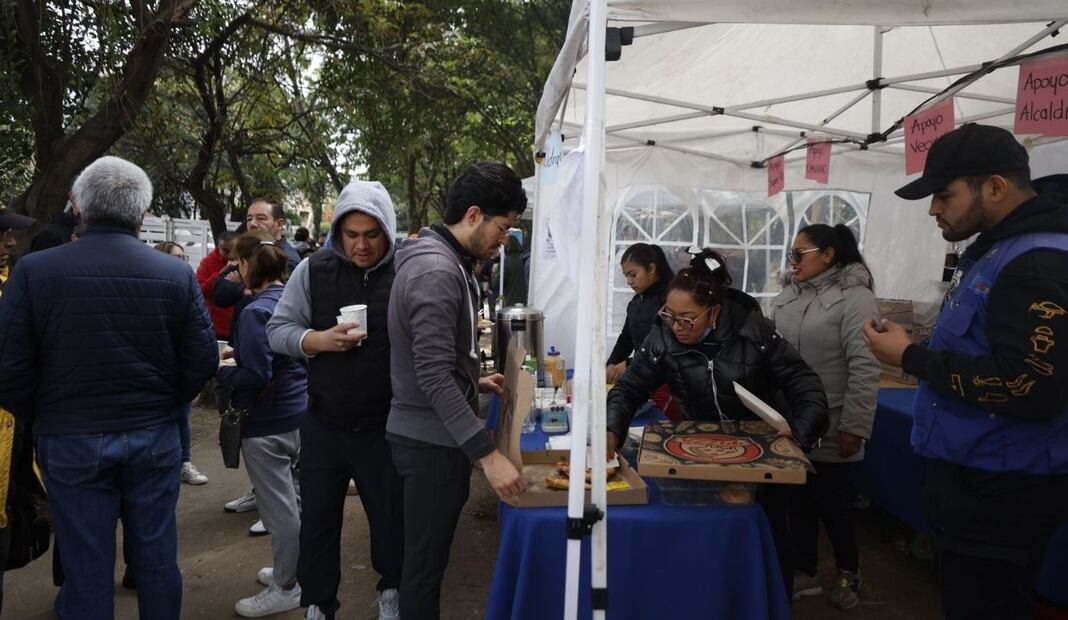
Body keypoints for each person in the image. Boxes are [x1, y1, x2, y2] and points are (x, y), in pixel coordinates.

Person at [0, 156, 218, 619]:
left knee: (86, 568)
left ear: (79, 206)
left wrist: (45, 415)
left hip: (70, 440)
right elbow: (202, 359)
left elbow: (9, 368)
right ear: (141, 215)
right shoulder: (175, 274)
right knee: (157, 560)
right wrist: (165, 403)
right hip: (154, 437)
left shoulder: (34, 272)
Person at [865, 123, 1068, 620]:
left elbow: (1029, 385)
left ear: (995, 187)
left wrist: (910, 357)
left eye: (944, 194)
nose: (934, 209)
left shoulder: (1037, 261)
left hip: (1002, 488)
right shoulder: (1000, 249)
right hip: (977, 476)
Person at [606, 248, 829, 597]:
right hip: (701, 452)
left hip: (763, 454)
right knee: (708, 533)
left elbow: (803, 381)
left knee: (769, 536)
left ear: (714, 312)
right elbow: (630, 388)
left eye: (687, 318)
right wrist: (612, 429)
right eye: (670, 315)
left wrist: (799, 436)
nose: (677, 326)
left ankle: (772, 602)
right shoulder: (662, 336)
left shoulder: (752, 329)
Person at [387, 161, 528, 619]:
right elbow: (429, 374)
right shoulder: (437, 271)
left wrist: (474, 378)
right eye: (502, 227)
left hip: (431, 432)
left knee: (427, 561)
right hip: (429, 442)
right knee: (424, 568)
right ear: (473, 215)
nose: (503, 240)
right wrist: (488, 455)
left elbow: (435, 358)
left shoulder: (447, 261)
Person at [267, 181, 403, 620]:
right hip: (324, 422)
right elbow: (277, 329)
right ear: (338, 232)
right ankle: (319, 604)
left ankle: (392, 592)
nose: (361, 245)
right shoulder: (313, 270)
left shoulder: (405, 271)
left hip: (385, 425)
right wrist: (316, 340)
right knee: (319, 522)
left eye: (372, 234)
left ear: (387, 231)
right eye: (352, 234)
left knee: (390, 519)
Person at [770, 224, 881, 610]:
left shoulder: (856, 300)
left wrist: (855, 425)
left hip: (833, 421)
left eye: (801, 254)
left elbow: (865, 367)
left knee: (832, 504)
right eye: (791, 254)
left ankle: (849, 571)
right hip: (790, 420)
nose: (792, 261)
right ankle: (808, 571)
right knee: (797, 501)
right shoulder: (788, 296)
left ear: (829, 255)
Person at [216, 230, 308, 617]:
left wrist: (221, 370)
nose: (236, 270)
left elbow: (256, 374)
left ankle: (287, 585)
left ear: (249, 266)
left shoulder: (255, 312)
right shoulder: (291, 302)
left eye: (238, 264)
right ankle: (291, 571)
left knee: (279, 511)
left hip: (266, 422)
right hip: (298, 413)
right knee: (295, 502)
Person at [151, 241, 209, 486]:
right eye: (177, 257)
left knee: (182, 418)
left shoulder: (186, 285)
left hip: (177, 372)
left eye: (184, 257)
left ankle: (184, 462)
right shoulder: (151, 288)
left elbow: (198, 336)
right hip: (155, 372)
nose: (182, 262)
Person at [196, 230, 239, 341]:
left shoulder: (246, 261)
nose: (229, 254)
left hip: (239, 326)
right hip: (215, 328)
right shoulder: (207, 262)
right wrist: (221, 273)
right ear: (218, 247)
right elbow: (199, 292)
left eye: (233, 250)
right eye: (225, 250)